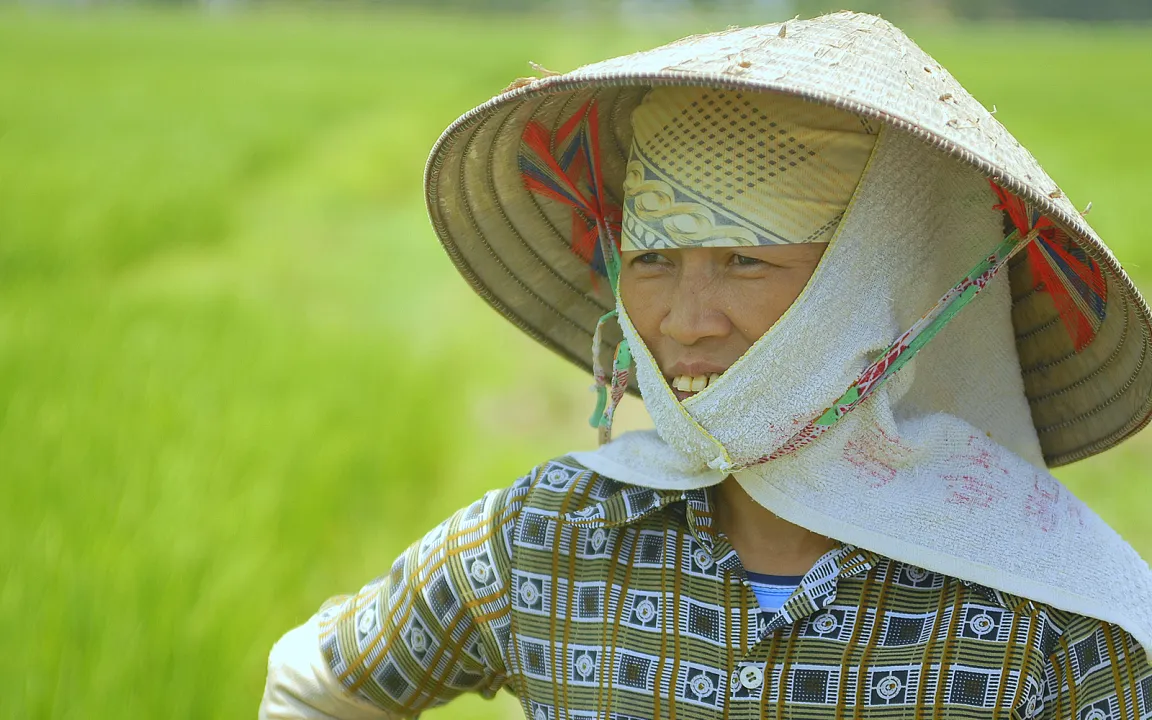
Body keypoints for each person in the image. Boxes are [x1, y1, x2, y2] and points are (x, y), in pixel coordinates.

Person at [260, 11, 1152, 720]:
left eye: (745, 262)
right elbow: (322, 685)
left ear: (878, 283)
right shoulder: (552, 537)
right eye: (653, 261)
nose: (683, 323)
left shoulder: (1051, 619)